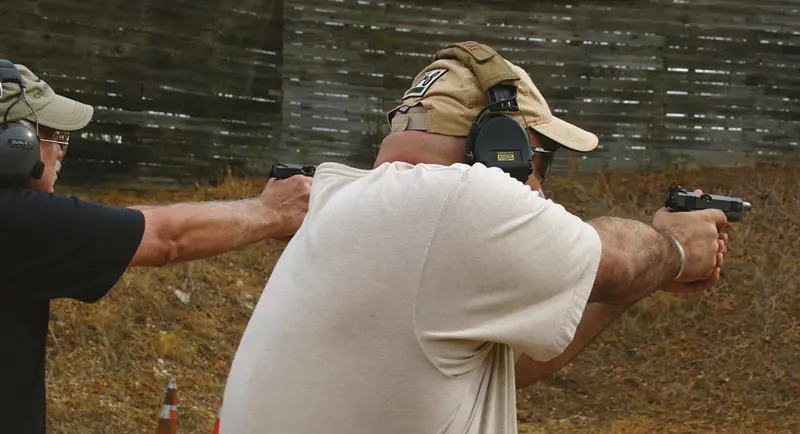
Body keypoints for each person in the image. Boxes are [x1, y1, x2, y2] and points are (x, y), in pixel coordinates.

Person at [217, 41, 729, 434]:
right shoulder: (455, 200)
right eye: (541, 157)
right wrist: (678, 248)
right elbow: (617, 259)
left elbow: (510, 368)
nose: (539, 179)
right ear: (500, 145)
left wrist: (629, 287)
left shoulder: (341, 201)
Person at [0, 61, 313, 434]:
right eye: (52, 134)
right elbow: (168, 239)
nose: (61, 151)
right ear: (12, 140)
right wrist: (270, 213)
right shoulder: (16, 221)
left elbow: (133, 219)